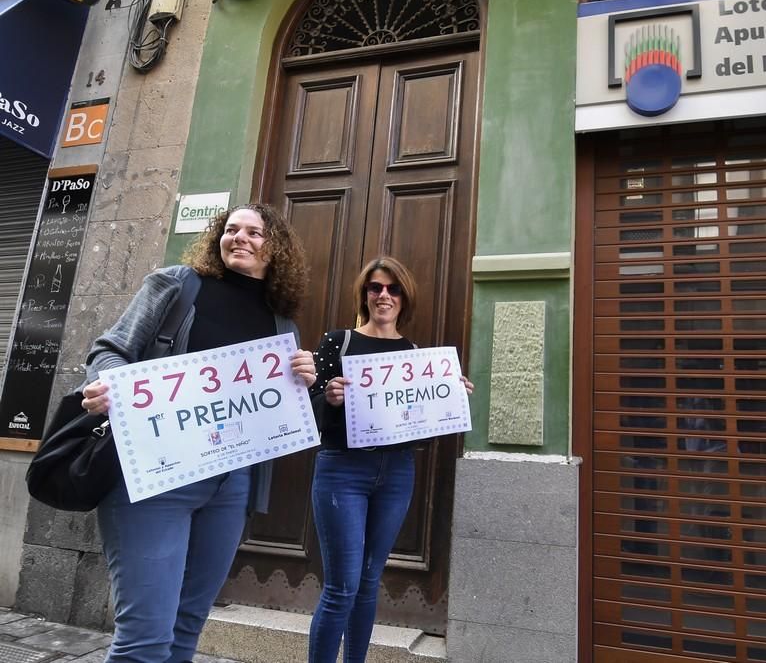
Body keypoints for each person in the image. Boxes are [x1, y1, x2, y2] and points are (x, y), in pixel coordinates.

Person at [79, 203, 318, 663]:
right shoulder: (177, 284)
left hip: (232, 487)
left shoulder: (282, 324)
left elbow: (273, 416)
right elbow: (110, 349)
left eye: (254, 232)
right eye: (231, 230)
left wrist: (304, 384)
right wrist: (110, 382)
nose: (240, 238)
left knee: (186, 631)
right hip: (154, 477)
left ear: (277, 249)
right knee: (144, 641)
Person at [308, 256, 473, 663]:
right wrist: (328, 398)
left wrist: (449, 398)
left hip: (396, 472)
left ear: (404, 297)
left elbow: (419, 430)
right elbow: (305, 408)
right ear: (364, 294)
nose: (384, 295)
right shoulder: (338, 341)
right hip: (342, 469)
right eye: (375, 288)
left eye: (393, 288)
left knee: (368, 582)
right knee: (342, 586)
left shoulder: (414, 355)